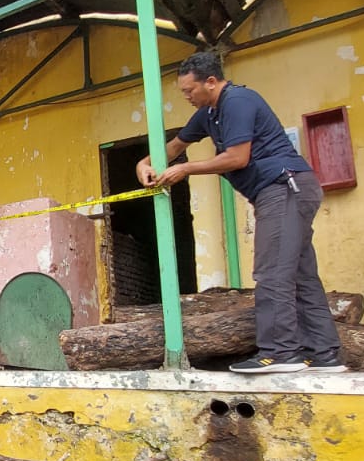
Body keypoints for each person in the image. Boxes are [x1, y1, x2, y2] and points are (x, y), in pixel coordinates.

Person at [137, 51, 345, 374]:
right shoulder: (209, 113)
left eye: (189, 90)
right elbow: (175, 146)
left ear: (210, 81)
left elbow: (237, 158)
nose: (187, 97)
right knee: (301, 273)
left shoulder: (239, 101)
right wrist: (145, 163)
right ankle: (324, 353)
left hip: (284, 187)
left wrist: (186, 170)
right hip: (281, 192)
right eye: (183, 92)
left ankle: (280, 352)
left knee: (272, 270)